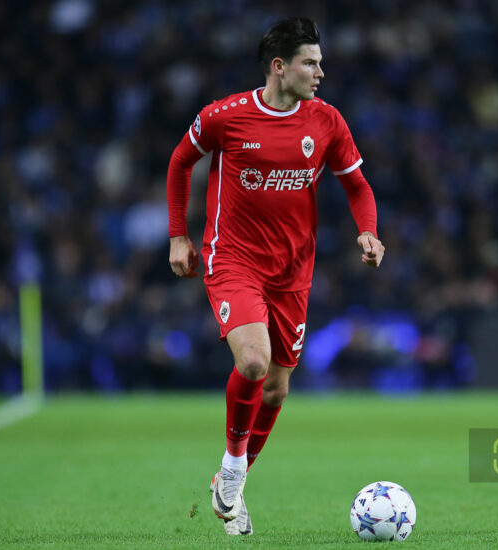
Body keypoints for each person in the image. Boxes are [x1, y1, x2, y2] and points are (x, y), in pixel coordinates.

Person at [166, 16, 384, 536]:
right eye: (311, 63)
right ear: (280, 67)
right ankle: (233, 470)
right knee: (254, 361)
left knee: (277, 390)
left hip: (293, 271)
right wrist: (178, 235)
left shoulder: (326, 121)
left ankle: (231, 482)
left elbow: (357, 185)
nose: (320, 72)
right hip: (233, 259)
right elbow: (180, 162)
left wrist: (368, 232)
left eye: (321, 63)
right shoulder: (225, 116)